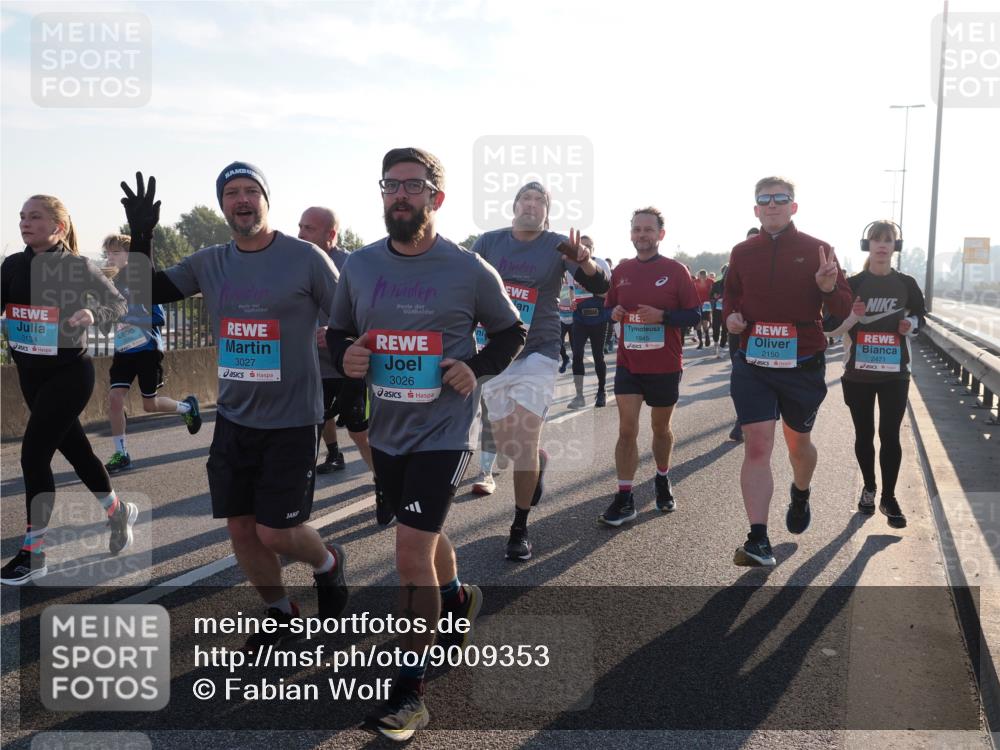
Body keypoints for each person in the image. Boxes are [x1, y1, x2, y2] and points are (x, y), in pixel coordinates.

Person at [327, 147, 525, 741]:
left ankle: (408, 694)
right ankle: (458, 596)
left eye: (412, 186)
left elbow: (512, 331)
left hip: (446, 430)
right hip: (389, 430)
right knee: (426, 535)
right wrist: (346, 354)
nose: (399, 196)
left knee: (409, 551)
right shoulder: (359, 267)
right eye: (390, 186)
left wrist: (476, 367)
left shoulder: (467, 268)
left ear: (436, 197)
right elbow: (338, 332)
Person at [117, 165, 349, 643]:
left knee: (276, 532)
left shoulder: (306, 258)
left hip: (292, 418)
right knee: (242, 530)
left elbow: (350, 317)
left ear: (266, 198)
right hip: (235, 417)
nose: (241, 200)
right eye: (230, 193)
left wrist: (351, 355)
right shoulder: (210, 261)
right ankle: (281, 613)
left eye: (250, 191)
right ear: (223, 204)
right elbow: (147, 290)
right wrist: (142, 236)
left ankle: (328, 562)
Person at [473, 181, 610, 561]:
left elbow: (599, 282)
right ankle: (538, 462)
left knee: (526, 438)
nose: (532, 205)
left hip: (540, 350)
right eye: (526, 199)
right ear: (514, 206)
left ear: (547, 212)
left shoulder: (556, 245)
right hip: (496, 351)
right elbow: (464, 285)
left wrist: (584, 261)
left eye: (540, 201)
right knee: (507, 446)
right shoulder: (487, 242)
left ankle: (519, 527)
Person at [1, 195, 131, 585]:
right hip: (30, 374)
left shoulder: (77, 266)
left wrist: (94, 313)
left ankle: (33, 552)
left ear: (57, 227)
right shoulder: (12, 265)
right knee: (77, 451)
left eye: (35, 217)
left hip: (70, 374)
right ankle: (117, 511)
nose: (25, 222)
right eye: (23, 217)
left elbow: (119, 305)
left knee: (33, 455)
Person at [724, 177, 850, 567]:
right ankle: (758, 539)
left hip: (802, 363)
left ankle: (801, 490)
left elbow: (843, 310)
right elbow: (731, 297)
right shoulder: (742, 252)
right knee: (758, 444)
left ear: (793, 206)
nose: (773, 205)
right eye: (765, 199)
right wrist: (732, 318)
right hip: (754, 363)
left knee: (799, 446)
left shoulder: (818, 249)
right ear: (756, 209)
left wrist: (828, 288)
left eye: (781, 199)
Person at [598, 208, 700, 526]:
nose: (642, 234)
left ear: (660, 234)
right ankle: (625, 496)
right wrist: (612, 312)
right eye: (637, 229)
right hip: (629, 363)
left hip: (665, 364)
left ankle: (661, 477)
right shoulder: (622, 271)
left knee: (660, 429)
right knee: (627, 429)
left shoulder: (676, 270)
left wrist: (664, 316)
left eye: (649, 229)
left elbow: (695, 314)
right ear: (631, 234)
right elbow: (606, 310)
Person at [828, 220, 926, 528]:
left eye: (888, 239)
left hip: (895, 374)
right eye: (876, 239)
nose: (882, 244)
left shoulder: (907, 284)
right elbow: (831, 328)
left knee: (890, 435)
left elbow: (920, 319)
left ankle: (889, 497)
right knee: (864, 435)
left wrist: (911, 325)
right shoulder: (853, 285)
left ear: (896, 246)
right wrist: (852, 316)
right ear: (867, 244)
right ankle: (869, 487)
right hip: (857, 373)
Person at [101, 233, 202, 475]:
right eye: (108, 253)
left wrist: (130, 315)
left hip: (147, 349)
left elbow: (159, 317)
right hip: (123, 350)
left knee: (150, 404)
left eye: (115, 252)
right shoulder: (111, 284)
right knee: (115, 398)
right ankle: (121, 453)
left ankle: (187, 408)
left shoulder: (142, 280)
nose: (110, 257)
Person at [296, 207, 375, 478]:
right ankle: (331, 456)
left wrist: (337, 331)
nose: (300, 234)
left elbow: (372, 315)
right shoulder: (294, 263)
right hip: (311, 365)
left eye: (309, 229)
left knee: (358, 431)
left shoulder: (355, 265)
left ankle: (383, 482)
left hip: (348, 367)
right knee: (310, 427)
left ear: (331, 234)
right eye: (300, 226)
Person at [567, 236, 612, 409]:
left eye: (588, 246)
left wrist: (592, 290)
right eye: (581, 245)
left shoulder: (601, 263)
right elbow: (570, 289)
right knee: (577, 355)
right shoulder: (571, 265)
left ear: (593, 248)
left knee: (597, 356)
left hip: (598, 316)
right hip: (579, 317)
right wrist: (571, 301)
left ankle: (602, 391)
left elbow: (609, 294)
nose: (584, 248)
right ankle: (579, 396)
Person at [726, 228, 760, 443]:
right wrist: (730, 315)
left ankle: (753, 420)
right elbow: (725, 292)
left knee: (761, 379)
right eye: (750, 243)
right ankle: (742, 418)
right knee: (740, 378)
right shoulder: (736, 264)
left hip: (766, 334)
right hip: (738, 332)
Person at [709, 264, 728, 358]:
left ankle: (721, 348)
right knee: (716, 328)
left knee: (725, 329)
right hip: (717, 310)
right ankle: (716, 343)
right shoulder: (716, 284)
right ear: (723, 273)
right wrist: (714, 297)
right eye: (725, 272)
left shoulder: (733, 284)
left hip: (727, 310)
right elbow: (711, 295)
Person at [692, 269, 713, 349]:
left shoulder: (710, 282)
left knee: (704, 323)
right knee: (698, 324)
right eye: (701, 277)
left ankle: (707, 335)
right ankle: (700, 342)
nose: (703, 278)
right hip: (696, 304)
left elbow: (714, 292)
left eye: (704, 277)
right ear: (698, 276)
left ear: (706, 276)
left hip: (706, 305)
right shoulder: (694, 282)